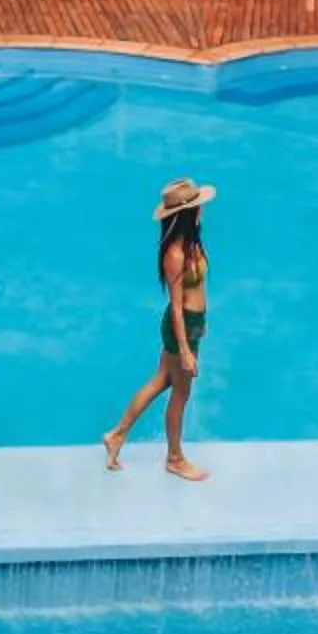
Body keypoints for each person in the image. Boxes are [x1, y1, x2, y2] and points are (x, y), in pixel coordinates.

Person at [103, 175, 214, 480]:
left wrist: (202, 324)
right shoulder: (175, 255)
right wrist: (186, 350)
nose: (202, 210)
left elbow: (199, 288)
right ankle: (175, 459)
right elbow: (177, 309)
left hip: (193, 325)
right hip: (182, 327)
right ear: (185, 214)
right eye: (197, 206)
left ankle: (117, 435)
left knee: (162, 380)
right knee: (180, 392)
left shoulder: (192, 242)